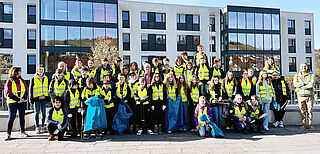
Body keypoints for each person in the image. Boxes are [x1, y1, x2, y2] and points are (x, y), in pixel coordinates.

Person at [4, 67, 29, 141]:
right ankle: (8, 134)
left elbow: (26, 90)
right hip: (13, 102)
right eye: (19, 71)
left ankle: (22, 132)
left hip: (22, 102)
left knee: (22, 117)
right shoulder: (9, 81)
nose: (20, 72)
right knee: (12, 117)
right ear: (14, 72)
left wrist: (23, 98)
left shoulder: (22, 80)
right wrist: (18, 99)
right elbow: (8, 93)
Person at [293, 63, 316, 130]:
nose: (304, 67)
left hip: (309, 95)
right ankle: (303, 125)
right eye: (302, 66)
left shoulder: (311, 75)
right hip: (300, 96)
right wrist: (304, 84)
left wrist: (301, 87)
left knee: (310, 111)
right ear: (300, 68)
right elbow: (295, 84)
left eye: (305, 66)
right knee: (302, 111)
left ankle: (310, 125)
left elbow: (311, 84)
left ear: (307, 67)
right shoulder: (296, 76)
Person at [29, 64, 50, 134]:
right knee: (37, 113)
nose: (41, 71)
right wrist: (31, 99)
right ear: (37, 70)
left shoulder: (46, 78)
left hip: (44, 98)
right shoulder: (34, 78)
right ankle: (37, 126)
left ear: (44, 70)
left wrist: (47, 97)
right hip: (36, 98)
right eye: (39, 69)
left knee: (44, 113)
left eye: (42, 69)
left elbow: (48, 88)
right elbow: (31, 89)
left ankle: (43, 125)